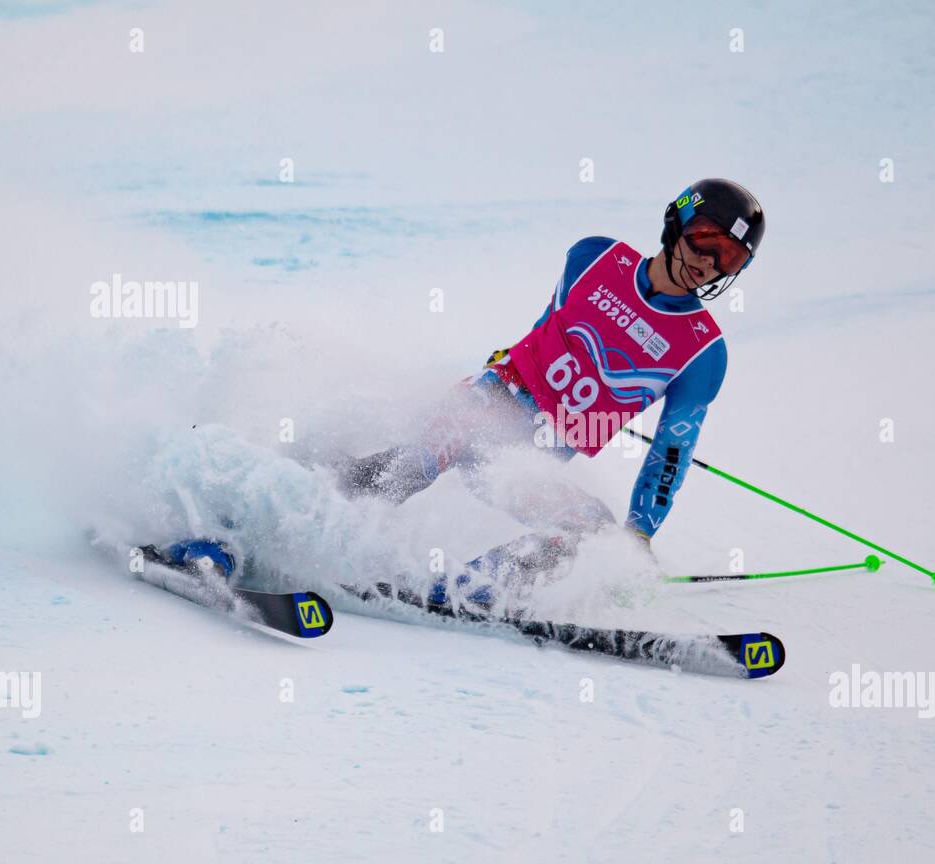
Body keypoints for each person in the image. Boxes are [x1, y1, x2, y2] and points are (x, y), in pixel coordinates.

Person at [167, 179, 765, 606]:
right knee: (415, 461)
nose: (708, 263)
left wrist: (637, 536)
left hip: (525, 459)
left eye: (729, 258)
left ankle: (469, 590)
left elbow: (670, 453)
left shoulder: (702, 352)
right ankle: (231, 531)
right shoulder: (594, 257)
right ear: (676, 223)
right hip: (489, 404)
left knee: (591, 537)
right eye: (704, 239)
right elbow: (552, 332)